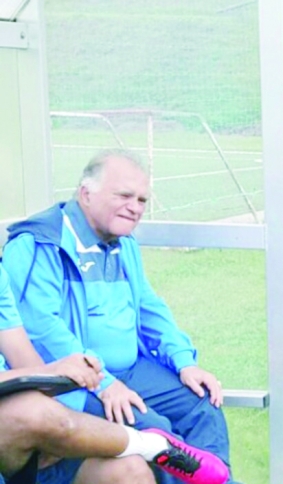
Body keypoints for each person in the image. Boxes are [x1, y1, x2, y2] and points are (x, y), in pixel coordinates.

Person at [2, 150, 233, 483]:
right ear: (86, 193)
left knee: (203, 405)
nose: (134, 207)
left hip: (132, 371)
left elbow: (149, 307)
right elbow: (41, 330)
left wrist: (185, 362)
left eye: (141, 200)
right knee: (154, 428)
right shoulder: (40, 243)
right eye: (124, 195)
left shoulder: (124, 244)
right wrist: (106, 384)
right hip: (79, 383)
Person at [0, 266, 230, 484]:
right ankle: (152, 445)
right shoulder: (34, 247)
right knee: (33, 412)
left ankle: (160, 449)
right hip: (15, 418)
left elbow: (21, 355)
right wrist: (50, 371)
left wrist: (60, 379)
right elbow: (41, 328)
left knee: (130, 471)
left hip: (23, 430)